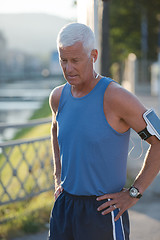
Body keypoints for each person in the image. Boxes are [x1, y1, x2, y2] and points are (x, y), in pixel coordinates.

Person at [48, 22, 160, 240]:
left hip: (102, 212)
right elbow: (55, 130)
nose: (68, 68)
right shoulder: (58, 97)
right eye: (63, 60)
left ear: (93, 55)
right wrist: (57, 176)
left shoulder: (117, 97)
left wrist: (134, 193)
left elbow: (159, 141)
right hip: (64, 207)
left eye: (75, 60)